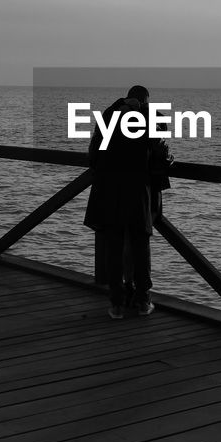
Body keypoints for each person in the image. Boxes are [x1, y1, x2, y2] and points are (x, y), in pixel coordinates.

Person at [84, 85, 168, 318]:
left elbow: (93, 156)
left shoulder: (109, 117)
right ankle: (142, 301)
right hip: (139, 192)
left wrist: (118, 106)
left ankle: (117, 304)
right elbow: (161, 141)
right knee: (141, 246)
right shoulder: (150, 119)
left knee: (114, 248)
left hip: (110, 191)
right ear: (146, 101)